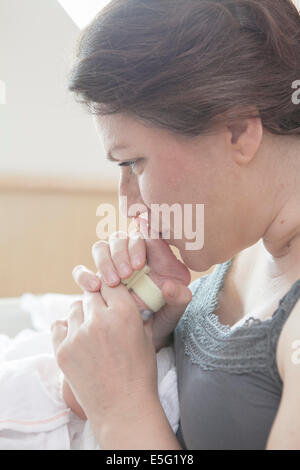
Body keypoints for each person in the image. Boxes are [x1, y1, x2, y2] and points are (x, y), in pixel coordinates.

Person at [52, 0, 300, 449]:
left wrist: (121, 408)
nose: (128, 203)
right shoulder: (249, 244)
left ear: (238, 132)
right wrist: (142, 333)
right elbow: (78, 401)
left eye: (132, 163)